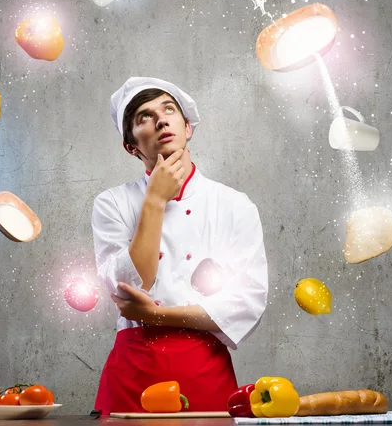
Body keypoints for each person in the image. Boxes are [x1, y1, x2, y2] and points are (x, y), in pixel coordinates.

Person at [92, 76, 268, 414]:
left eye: (168, 109)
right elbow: (128, 284)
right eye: (144, 116)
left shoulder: (234, 204)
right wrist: (155, 200)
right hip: (132, 374)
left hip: (205, 373)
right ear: (132, 147)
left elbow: (248, 302)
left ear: (187, 127)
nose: (160, 119)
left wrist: (156, 315)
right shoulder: (111, 203)